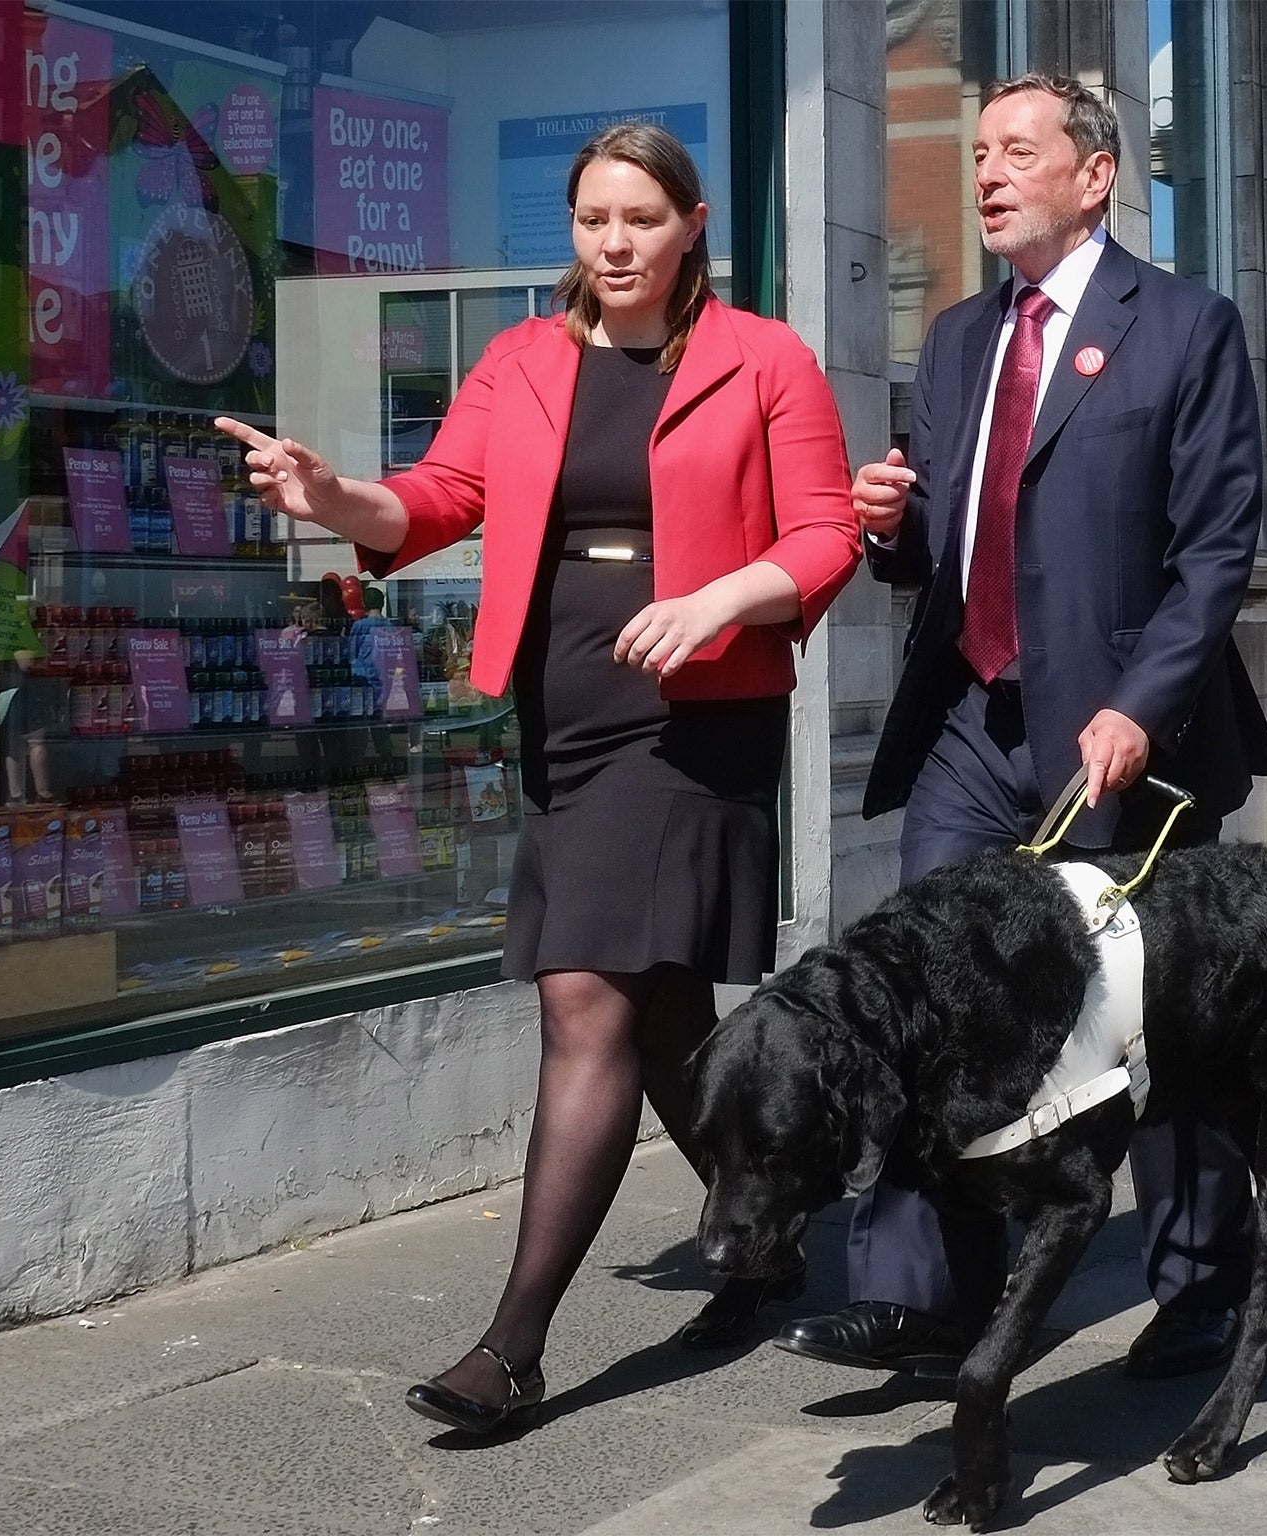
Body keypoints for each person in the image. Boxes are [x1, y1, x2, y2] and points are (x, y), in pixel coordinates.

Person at [218, 123, 860, 1433]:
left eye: (639, 219)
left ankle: (512, 1348)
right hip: (564, 711)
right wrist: (336, 496)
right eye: (591, 221)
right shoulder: (522, 359)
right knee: (663, 1004)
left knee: (585, 996)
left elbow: (825, 532)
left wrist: (723, 599)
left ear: (692, 225)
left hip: (691, 714)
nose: (613, 244)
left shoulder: (766, 358)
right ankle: (775, 1220)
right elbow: (438, 502)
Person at [775, 73, 1267, 1385]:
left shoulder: (1185, 328)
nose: (988, 172)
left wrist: (1141, 703)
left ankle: (1200, 1283)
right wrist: (894, 527)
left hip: (1128, 729)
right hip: (972, 721)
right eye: (980, 152)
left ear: (1096, 174)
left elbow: (1218, 548)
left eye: (1018, 150)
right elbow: (948, 550)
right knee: (926, 985)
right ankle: (925, 1290)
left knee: (1154, 1014)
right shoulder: (953, 342)